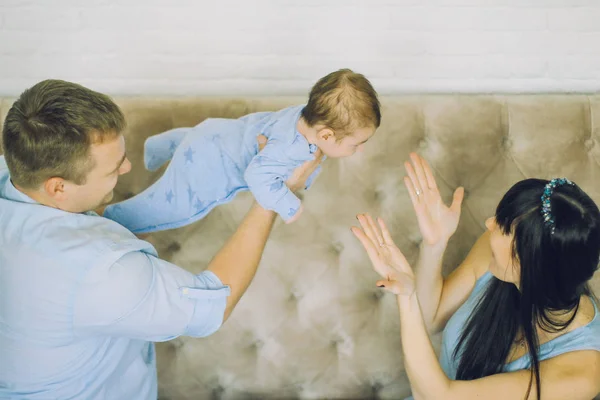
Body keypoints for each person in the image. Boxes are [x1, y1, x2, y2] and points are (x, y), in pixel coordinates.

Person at [0, 79, 322, 399]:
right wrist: (273, 195)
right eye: (113, 169)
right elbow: (214, 304)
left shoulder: (15, 173)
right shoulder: (101, 272)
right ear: (59, 187)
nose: (127, 168)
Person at [352, 153, 600, 400]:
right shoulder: (496, 259)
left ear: (531, 263)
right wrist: (435, 245)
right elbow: (431, 317)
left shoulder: (582, 371)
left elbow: (439, 396)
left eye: (503, 226)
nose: (489, 223)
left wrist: (406, 298)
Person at [102, 68, 380, 234]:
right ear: (326, 135)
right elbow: (257, 175)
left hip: (213, 133)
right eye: (355, 144)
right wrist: (289, 205)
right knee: (171, 207)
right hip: (208, 165)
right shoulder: (290, 150)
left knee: (193, 138)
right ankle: (114, 219)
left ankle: (156, 147)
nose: (359, 149)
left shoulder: (301, 116)